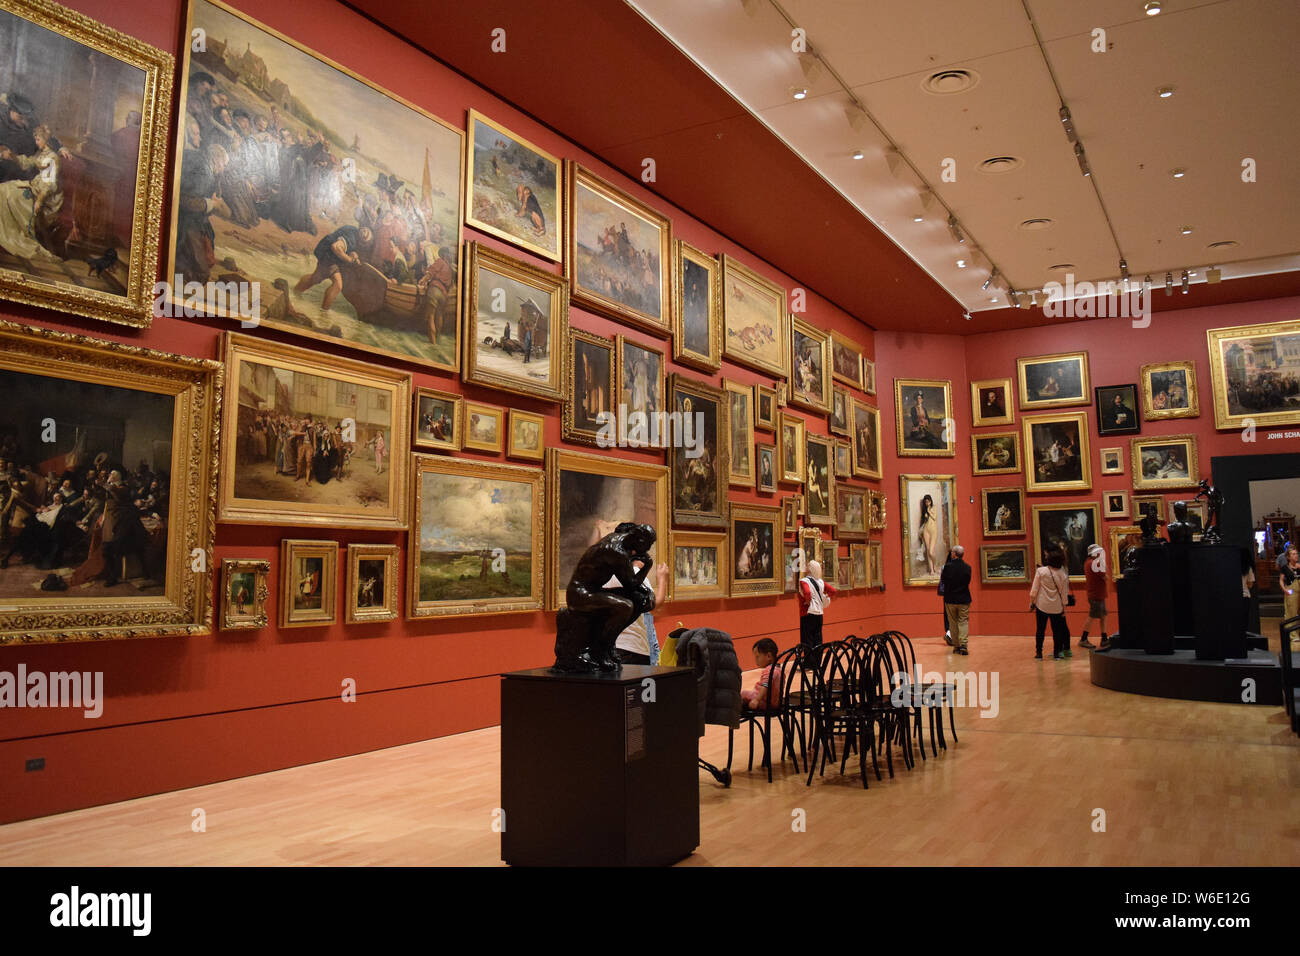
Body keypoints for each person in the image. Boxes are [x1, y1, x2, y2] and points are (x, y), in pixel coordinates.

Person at [1030, 547, 1072, 660]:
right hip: (1057, 607)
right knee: (1057, 631)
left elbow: (1034, 591)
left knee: (1040, 630)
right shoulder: (1062, 574)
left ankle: (1039, 653)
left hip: (1042, 605)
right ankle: (1057, 653)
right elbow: (1064, 594)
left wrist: (1032, 602)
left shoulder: (1041, 571)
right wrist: (1064, 608)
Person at [796, 558, 837, 649]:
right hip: (819, 614)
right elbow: (833, 591)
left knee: (807, 640)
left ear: (809, 569)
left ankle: (809, 661)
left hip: (807, 613)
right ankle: (818, 661)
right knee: (818, 638)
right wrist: (826, 596)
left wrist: (808, 600)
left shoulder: (804, 581)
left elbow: (807, 592)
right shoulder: (821, 582)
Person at [939, 545, 972, 655]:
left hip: (950, 599)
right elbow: (967, 581)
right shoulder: (967, 567)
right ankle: (963, 644)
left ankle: (956, 645)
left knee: (952, 622)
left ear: (954, 554)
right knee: (963, 621)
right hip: (964, 598)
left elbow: (944, 581)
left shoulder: (947, 567)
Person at [1078, 543, 1110, 650]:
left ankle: (1104, 638)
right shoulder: (1095, 563)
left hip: (1096, 593)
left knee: (1103, 615)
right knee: (1092, 616)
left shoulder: (1088, 562)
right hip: (1097, 594)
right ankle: (1083, 639)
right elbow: (1105, 576)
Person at [741, 638, 781, 711]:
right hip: (775, 703)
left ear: (768, 656)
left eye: (757, 657)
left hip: (765, 703)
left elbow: (766, 685)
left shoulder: (769, 670)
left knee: (742, 694)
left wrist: (757, 700)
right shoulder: (779, 669)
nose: (755, 660)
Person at [917, 493, 938, 575]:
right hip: (926, 530)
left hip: (933, 530)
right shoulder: (924, 510)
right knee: (928, 550)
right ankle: (931, 569)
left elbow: (934, 517)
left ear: (930, 501)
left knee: (931, 552)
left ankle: (935, 565)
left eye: (928, 501)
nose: (927, 503)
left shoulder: (934, 507)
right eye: (925, 502)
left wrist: (929, 511)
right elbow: (923, 522)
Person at [1281, 546, 1300, 626]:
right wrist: (1284, 589)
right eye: (1293, 554)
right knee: (1292, 612)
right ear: (1288, 557)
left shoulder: (1299, 566)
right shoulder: (1285, 568)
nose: (1296, 555)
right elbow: (1281, 580)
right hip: (1291, 591)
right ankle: (1292, 634)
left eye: (1296, 554)